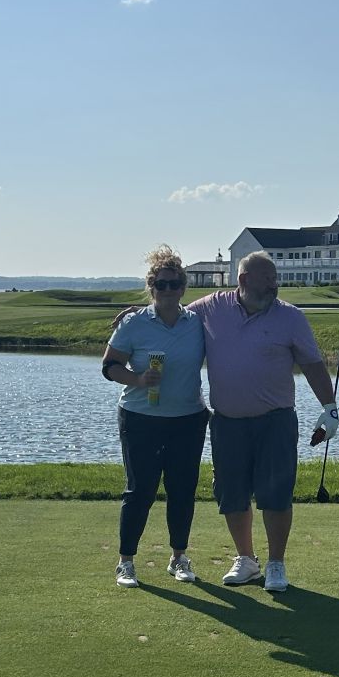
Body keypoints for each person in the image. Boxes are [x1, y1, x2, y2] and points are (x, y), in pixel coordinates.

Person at [195, 252, 339, 593]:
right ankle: (246, 560)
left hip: (275, 421)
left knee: (276, 493)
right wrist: (140, 314)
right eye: (267, 279)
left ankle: (276, 564)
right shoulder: (211, 307)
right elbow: (171, 315)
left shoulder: (290, 317)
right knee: (231, 493)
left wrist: (330, 407)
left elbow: (312, 364)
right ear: (244, 280)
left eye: (275, 279)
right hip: (227, 422)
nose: (274, 285)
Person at [100, 246, 208, 588]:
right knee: (141, 490)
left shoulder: (197, 323)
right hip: (140, 417)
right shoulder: (133, 323)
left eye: (174, 284)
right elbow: (110, 366)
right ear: (151, 287)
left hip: (188, 418)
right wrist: (137, 379)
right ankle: (126, 562)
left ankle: (178, 558)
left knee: (182, 490)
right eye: (161, 284)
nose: (168, 290)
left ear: (184, 287)